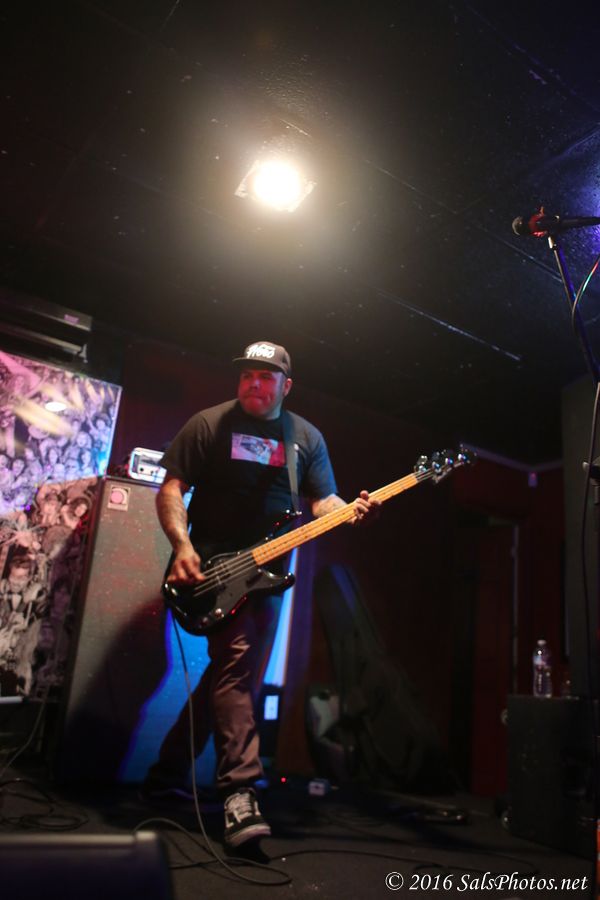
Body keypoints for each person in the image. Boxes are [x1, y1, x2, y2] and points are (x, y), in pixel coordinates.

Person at [143, 340, 380, 847]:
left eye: (266, 377)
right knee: (237, 668)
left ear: (285, 386)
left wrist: (347, 510)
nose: (254, 383)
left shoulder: (304, 438)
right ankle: (239, 791)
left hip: (267, 577)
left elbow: (322, 500)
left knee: (232, 675)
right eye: (248, 374)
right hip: (209, 572)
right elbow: (171, 488)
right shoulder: (209, 424)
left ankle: (165, 776)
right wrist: (182, 546)